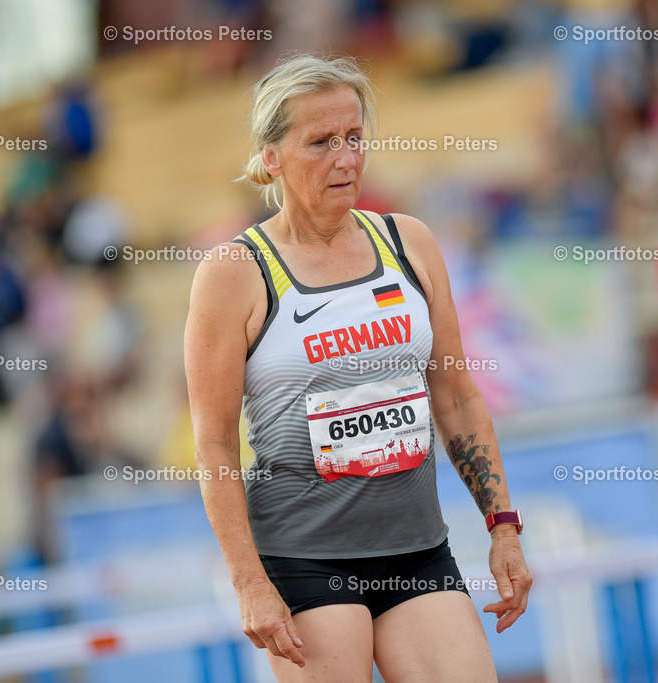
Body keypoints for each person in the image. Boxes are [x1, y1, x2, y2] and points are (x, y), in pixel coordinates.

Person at [184, 53, 532, 682]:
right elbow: (212, 444)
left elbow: (455, 396)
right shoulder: (234, 274)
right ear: (271, 156)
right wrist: (249, 582)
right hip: (304, 560)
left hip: (418, 550)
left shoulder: (409, 242)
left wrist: (503, 526)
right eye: (320, 142)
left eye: (353, 138)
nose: (346, 159)